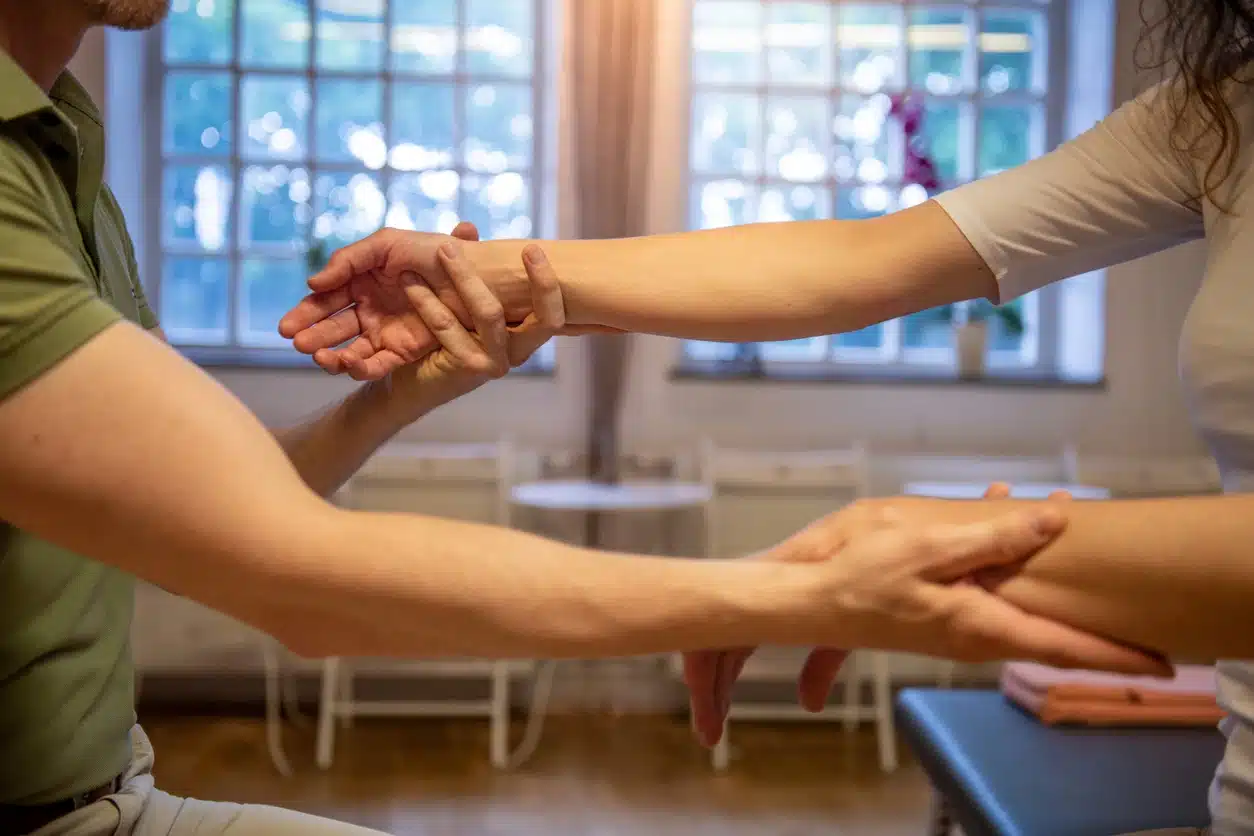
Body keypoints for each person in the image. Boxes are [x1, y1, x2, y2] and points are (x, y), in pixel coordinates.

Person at [0, 2, 1162, 835]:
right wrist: (781, 590)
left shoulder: (64, 156)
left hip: (109, 789)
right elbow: (289, 574)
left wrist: (410, 385)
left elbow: (226, 511)